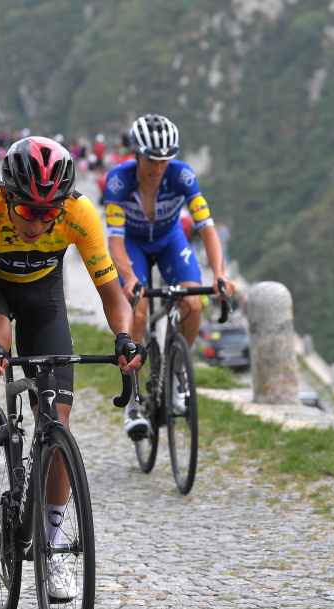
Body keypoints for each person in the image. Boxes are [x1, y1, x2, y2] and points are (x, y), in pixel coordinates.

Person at [0, 136, 142, 600]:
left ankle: (54, 544)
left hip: (43, 295)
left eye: (49, 211)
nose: (39, 222)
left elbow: (113, 297)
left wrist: (124, 338)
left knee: (58, 425)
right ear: (9, 198)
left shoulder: (78, 213)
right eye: (29, 211)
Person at [103, 113, 235, 438]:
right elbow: (115, 242)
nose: (158, 167)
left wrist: (219, 273)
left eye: (165, 160)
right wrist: (130, 278)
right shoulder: (119, 181)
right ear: (137, 153)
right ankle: (133, 401)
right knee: (137, 310)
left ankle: (177, 373)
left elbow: (206, 228)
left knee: (193, 304)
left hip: (169, 240)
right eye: (152, 159)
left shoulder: (183, 177)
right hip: (132, 244)